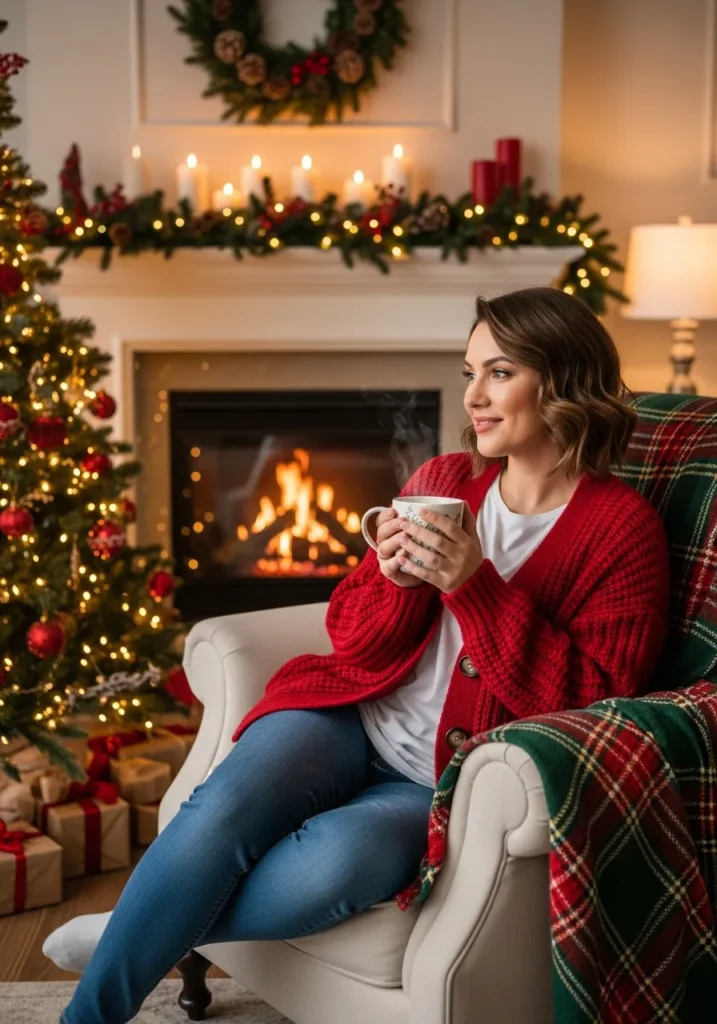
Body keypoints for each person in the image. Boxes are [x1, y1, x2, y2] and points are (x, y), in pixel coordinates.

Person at [48, 287, 670, 1024]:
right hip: (346, 714)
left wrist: (472, 587)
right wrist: (391, 575)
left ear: (563, 381)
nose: (472, 395)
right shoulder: (442, 482)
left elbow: (591, 703)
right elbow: (353, 637)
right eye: (468, 370)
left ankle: (134, 935)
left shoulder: (620, 531)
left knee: (334, 867)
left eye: (499, 373)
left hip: (441, 778)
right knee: (222, 813)